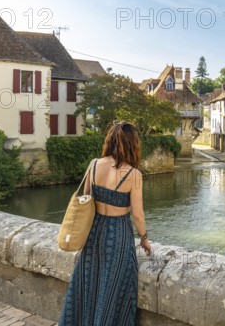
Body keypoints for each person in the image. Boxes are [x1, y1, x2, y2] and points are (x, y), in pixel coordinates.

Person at [59, 122, 152, 326]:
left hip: (93, 233)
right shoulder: (134, 175)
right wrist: (144, 238)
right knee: (114, 290)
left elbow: (85, 199)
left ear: (109, 140)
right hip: (118, 236)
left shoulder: (94, 165)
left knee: (90, 287)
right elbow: (138, 215)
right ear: (133, 144)